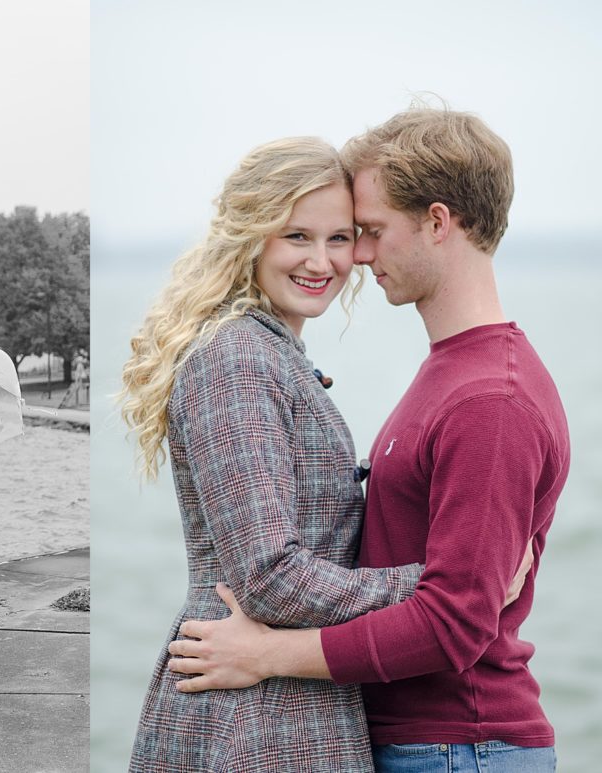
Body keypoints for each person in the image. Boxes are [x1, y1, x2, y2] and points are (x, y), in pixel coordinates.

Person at [168, 109, 569, 773]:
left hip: (459, 747)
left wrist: (269, 653)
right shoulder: (453, 369)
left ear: (437, 222)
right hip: (431, 744)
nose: (356, 255)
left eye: (369, 232)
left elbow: (455, 620)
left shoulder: (489, 398)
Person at [119, 137, 444, 772]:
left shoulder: (273, 354)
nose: (321, 261)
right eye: (296, 235)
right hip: (253, 714)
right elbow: (270, 577)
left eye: (340, 238)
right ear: (252, 236)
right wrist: (437, 585)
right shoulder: (238, 359)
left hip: (279, 692)